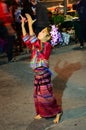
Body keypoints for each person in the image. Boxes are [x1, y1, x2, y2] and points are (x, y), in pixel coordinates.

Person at [21, 13, 62, 123]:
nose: (40, 32)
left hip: (44, 75)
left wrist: (30, 24)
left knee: (47, 96)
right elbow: (27, 40)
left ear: (48, 37)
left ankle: (58, 112)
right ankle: (41, 113)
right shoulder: (37, 44)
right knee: (37, 95)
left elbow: (33, 39)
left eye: (43, 32)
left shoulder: (46, 46)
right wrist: (22, 25)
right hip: (37, 75)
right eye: (41, 30)